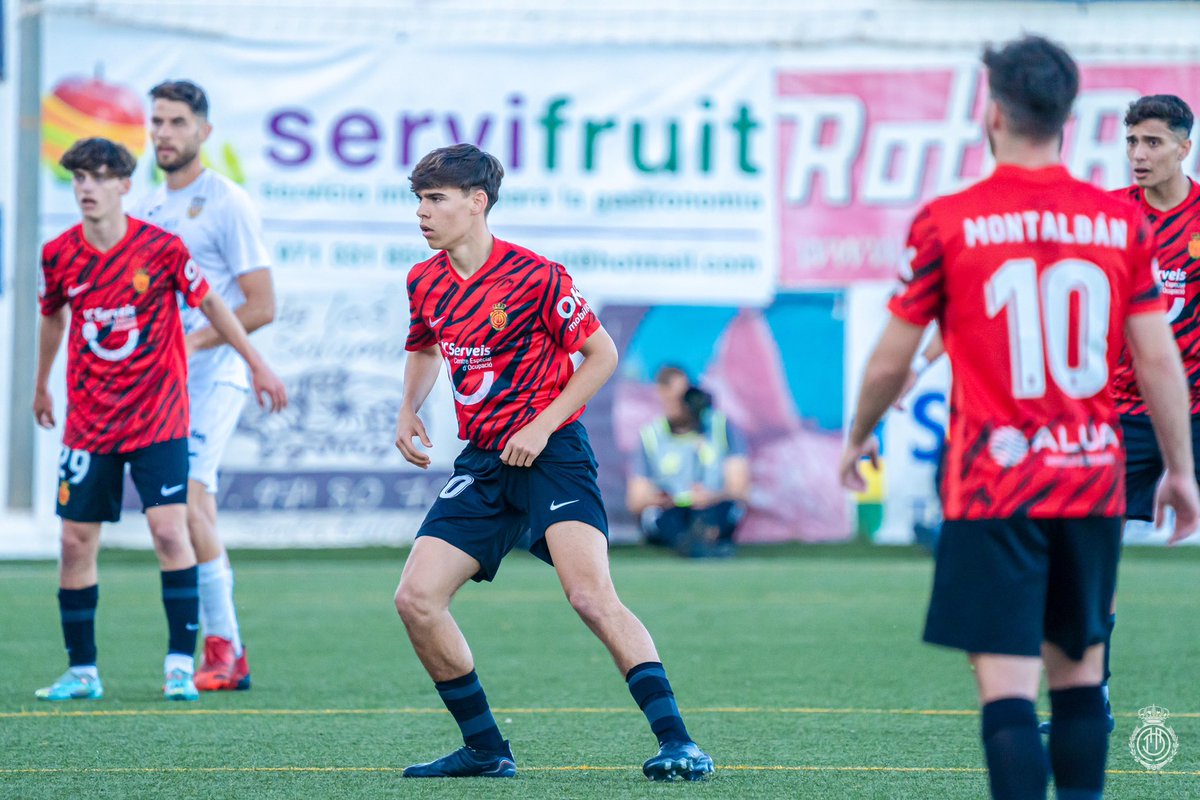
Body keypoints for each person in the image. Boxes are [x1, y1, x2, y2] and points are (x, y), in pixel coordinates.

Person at [839, 36, 1200, 800]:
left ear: (992, 113)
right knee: (1080, 677)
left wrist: (859, 432)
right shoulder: (1117, 226)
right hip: (1091, 468)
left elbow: (889, 359)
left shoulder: (950, 219)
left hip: (994, 479)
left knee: (1007, 688)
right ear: (1071, 117)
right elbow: (1160, 356)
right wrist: (1182, 467)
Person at [392, 144, 713, 781]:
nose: (422, 214)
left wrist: (540, 426)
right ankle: (486, 750)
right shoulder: (423, 279)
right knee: (416, 599)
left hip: (553, 456)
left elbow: (601, 355)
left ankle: (679, 743)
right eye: (419, 201)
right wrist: (408, 409)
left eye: (435, 200)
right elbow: (425, 344)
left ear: (476, 202)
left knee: (590, 596)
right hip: (484, 463)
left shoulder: (537, 275)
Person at [33, 138, 287, 703]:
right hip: (90, 422)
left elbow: (218, 305)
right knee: (75, 542)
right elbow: (52, 318)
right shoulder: (59, 254)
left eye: (99, 177)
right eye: (79, 179)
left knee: (170, 530)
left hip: (158, 416)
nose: (87, 188)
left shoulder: (162, 248)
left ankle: (179, 664)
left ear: (125, 185)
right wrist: (40, 385)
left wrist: (258, 364)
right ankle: (82, 671)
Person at [131, 80, 277, 692]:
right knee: (187, 509)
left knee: (189, 499)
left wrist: (188, 345)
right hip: (160, 383)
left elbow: (262, 304)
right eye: (157, 121)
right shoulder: (145, 205)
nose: (164, 133)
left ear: (204, 132)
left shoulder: (226, 202)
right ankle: (226, 649)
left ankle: (222, 648)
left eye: (177, 122)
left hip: (214, 377)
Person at [627, 365, 750, 557]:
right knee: (660, 518)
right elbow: (636, 500)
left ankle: (705, 537)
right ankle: (688, 543)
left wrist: (711, 496)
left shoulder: (720, 426)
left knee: (724, 511)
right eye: (670, 398)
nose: (678, 405)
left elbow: (740, 488)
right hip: (671, 511)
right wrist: (663, 499)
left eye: (682, 397)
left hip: (713, 506)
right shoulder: (651, 435)